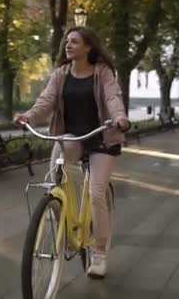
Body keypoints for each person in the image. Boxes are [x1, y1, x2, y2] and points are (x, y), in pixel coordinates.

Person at [13, 26, 129, 278]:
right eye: (67, 41)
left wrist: (120, 117)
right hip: (72, 138)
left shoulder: (103, 73)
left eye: (75, 41)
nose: (68, 45)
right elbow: (45, 101)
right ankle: (67, 230)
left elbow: (112, 98)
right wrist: (28, 116)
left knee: (97, 193)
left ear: (88, 47)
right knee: (53, 183)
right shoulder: (61, 74)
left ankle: (99, 254)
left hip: (101, 138)